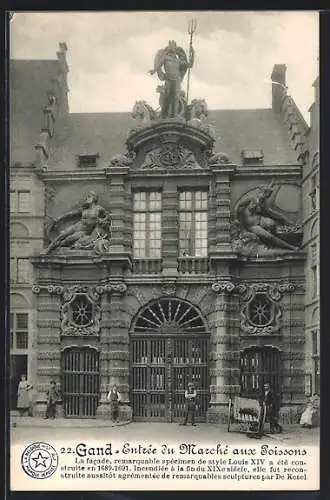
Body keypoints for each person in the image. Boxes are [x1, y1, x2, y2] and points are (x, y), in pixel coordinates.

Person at [44, 191, 110, 253]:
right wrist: (57, 219)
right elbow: (71, 214)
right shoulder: (84, 209)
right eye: (87, 197)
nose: (87, 198)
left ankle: (57, 246)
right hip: (77, 226)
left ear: (94, 198)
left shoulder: (99, 209)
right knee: (62, 235)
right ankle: (49, 248)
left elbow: (108, 216)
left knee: (69, 239)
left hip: (84, 231)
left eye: (89, 196)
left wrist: (103, 220)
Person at [149, 40, 194, 118]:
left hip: (176, 80)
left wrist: (192, 54)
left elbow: (190, 65)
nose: (172, 48)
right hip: (168, 79)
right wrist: (154, 70)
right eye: (170, 46)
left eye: (173, 46)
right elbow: (158, 65)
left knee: (176, 98)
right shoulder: (165, 58)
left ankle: (174, 115)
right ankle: (164, 115)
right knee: (167, 97)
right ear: (169, 48)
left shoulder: (178, 60)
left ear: (175, 48)